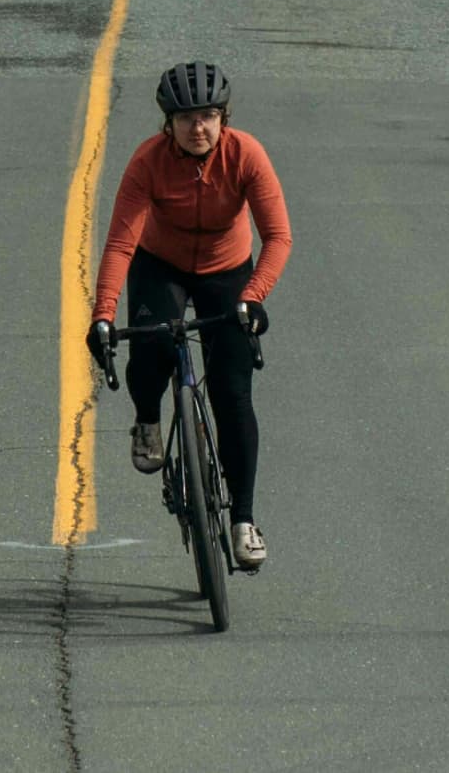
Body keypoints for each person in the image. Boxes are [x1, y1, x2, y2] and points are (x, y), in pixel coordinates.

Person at [83, 60, 290, 567]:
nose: (198, 127)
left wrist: (254, 296)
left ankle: (243, 520)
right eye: (186, 118)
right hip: (163, 265)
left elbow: (278, 237)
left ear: (223, 118)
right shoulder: (148, 162)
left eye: (208, 116)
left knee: (232, 393)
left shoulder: (246, 156)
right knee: (151, 343)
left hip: (228, 269)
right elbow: (119, 244)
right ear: (167, 122)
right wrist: (103, 314)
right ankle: (148, 419)